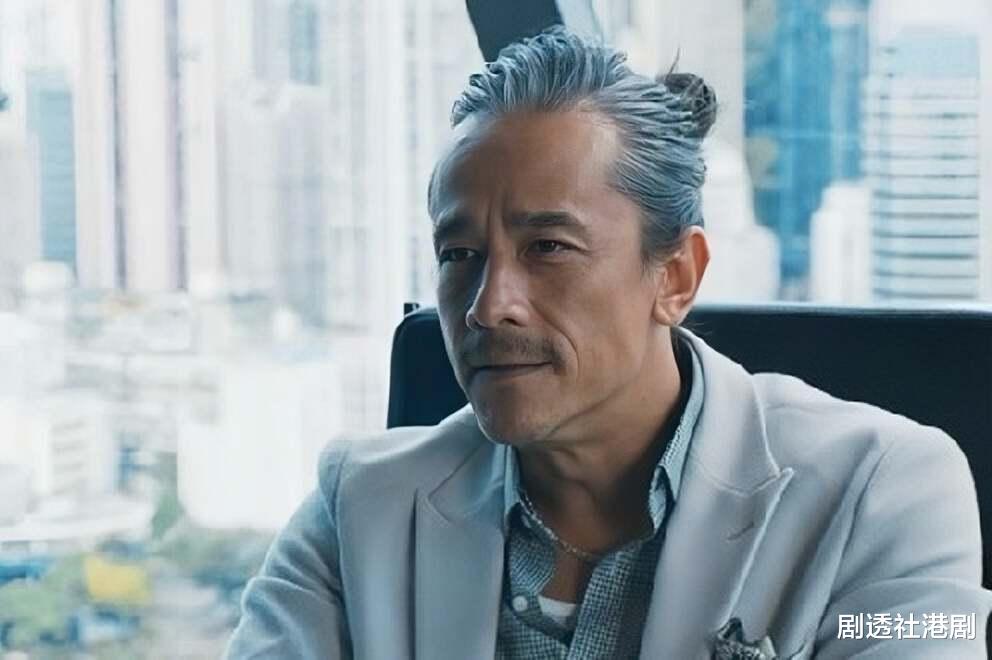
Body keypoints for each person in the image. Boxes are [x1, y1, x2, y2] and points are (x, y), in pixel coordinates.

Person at [225, 27, 991, 659]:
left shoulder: (891, 491)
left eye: (549, 248)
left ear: (676, 276)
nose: (488, 307)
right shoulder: (358, 506)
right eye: (459, 255)